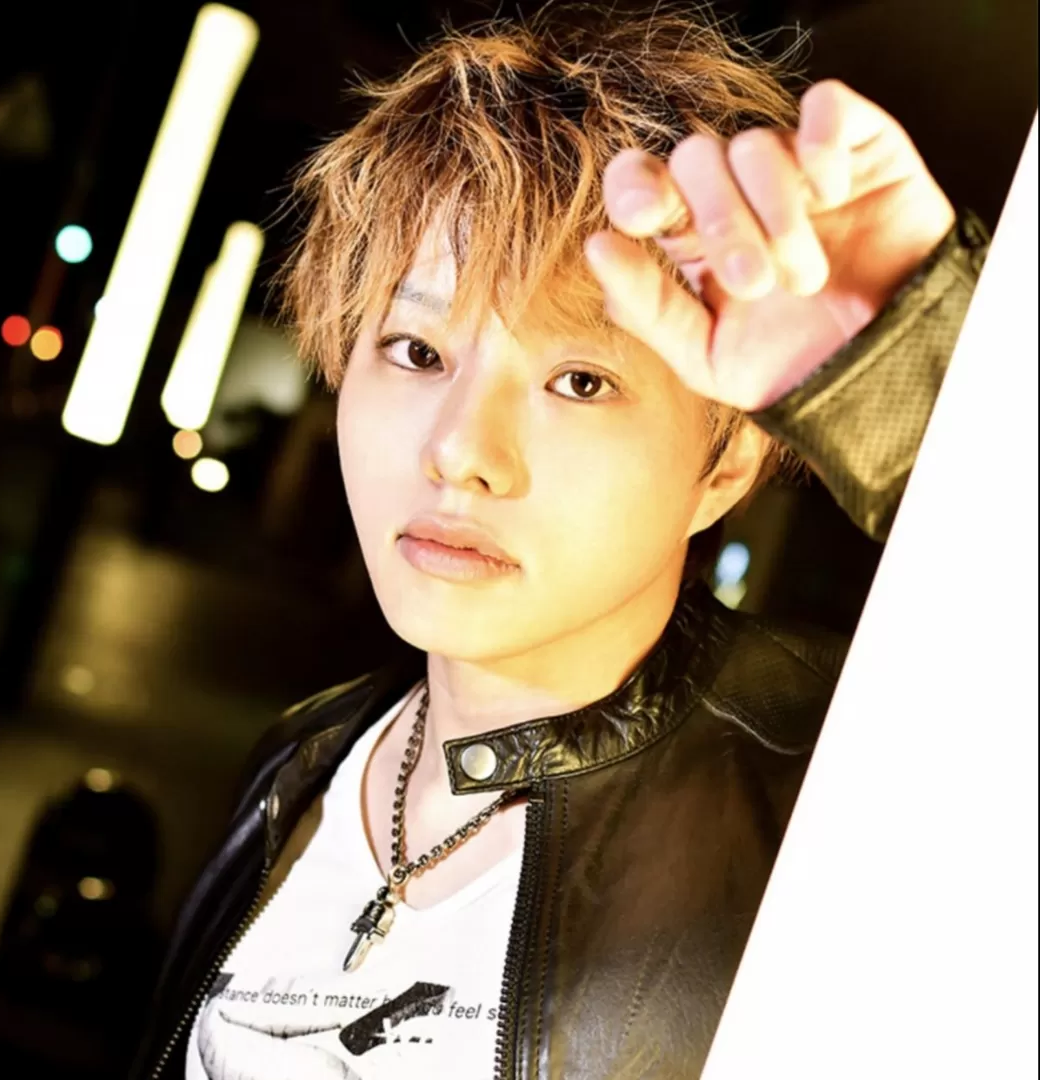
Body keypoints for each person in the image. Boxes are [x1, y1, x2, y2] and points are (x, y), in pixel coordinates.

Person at [132, 8, 989, 1079]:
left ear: (727, 463)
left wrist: (918, 378)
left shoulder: (837, 794)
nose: (460, 452)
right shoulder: (300, 762)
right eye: (415, 350)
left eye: (579, 381)